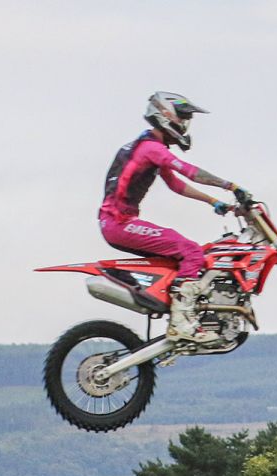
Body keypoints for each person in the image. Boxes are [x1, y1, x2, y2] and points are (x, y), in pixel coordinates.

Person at [99, 92, 244, 344]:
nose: (184, 126)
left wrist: (213, 202)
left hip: (116, 222)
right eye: (183, 119)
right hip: (120, 223)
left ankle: (180, 311)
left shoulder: (147, 146)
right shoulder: (151, 149)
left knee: (188, 254)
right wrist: (230, 186)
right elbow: (188, 172)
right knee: (191, 251)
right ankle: (182, 322)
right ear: (166, 116)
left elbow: (175, 184)